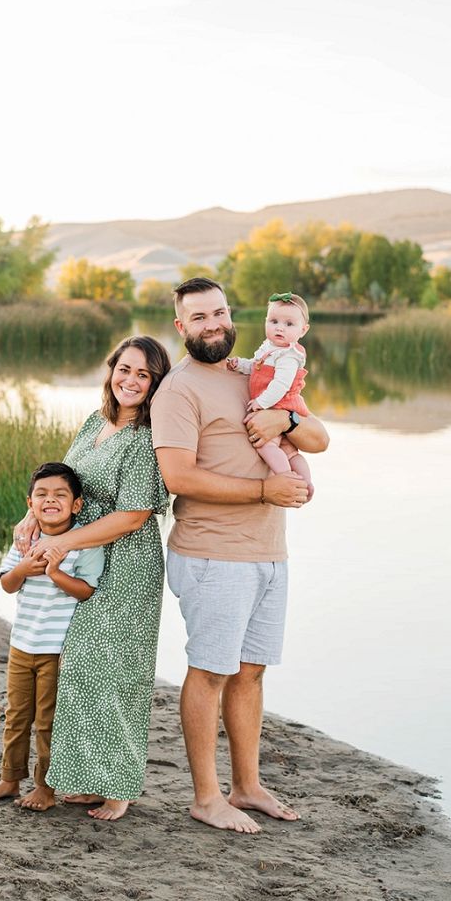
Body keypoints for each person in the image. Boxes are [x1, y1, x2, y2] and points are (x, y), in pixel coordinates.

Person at [150, 276, 329, 834]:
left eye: (220, 313)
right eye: (199, 317)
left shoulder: (253, 372)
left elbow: (320, 438)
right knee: (210, 672)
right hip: (212, 554)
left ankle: (247, 786)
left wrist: (289, 420)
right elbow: (176, 475)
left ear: (233, 315)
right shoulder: (178, 390)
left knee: (250, 673)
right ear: (181, 327)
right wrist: (262, 491)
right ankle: (207, 797)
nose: (214, 325)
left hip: (269, 551)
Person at [15, 335, 172, 821]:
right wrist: (30, 520)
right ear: (111, 371)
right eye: (124, 369)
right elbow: (62, 481)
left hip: (127, 564)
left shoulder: (146, 438)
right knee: (79, 667)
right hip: (85, 557)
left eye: (143, 375)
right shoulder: (93, 422)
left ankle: (119, 785)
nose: (130, 380)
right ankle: (85, 779)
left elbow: (132, 514)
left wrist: (60, 543)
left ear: (155, 384)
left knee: (114, 671)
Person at [0, 462, 105, 811]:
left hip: (56, 650)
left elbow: (86, 591)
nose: (51, 500)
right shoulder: (25, 540)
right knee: (16, 715)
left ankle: (45, 788)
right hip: (22, 645)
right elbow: (6, 583)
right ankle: (9, 778)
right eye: (42, 494)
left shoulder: (84, 542)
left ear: (76, 504)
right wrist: (24, 568)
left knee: (47, 722)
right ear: (30, 503)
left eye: (60, 495)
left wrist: (54, 572)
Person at [227, 291, 314, 499]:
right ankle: (306, 482)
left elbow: (280, 385)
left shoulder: (288, 356)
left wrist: (261, 402)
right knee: (291, 452)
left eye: (289, 324)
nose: (279, 328)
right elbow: (257, 368)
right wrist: (240, 365)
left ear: (303, 330)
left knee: (266, 445)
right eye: (273, 321)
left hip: (278, 405)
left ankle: (286, 478)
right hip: (276, 405)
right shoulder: (270, 348)